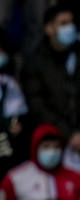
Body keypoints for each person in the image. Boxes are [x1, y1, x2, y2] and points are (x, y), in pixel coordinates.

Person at [19, 4, 80, 165]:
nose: (70, 28)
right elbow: (38, 106)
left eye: (71, 23)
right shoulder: (35, 63)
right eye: (63, 23)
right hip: (52, 142)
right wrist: (69, 135)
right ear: (49, 29)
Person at [0, 33, 29, 179]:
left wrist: (15, 123)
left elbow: (17, 113)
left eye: (2, 50)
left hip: (6, 143)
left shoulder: (10, 83)